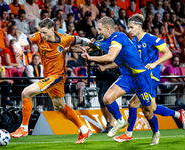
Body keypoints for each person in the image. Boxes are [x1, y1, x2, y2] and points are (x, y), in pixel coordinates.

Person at [10, 18, 92, 143]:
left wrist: (90, 42)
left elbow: (79, 39)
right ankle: (84, 129)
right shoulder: (38, 36)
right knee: (60, 106)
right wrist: (17, 46)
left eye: (44, 32)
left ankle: (24, 128)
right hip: (49, 76)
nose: (42, 35)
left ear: (52, 30)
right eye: (40, 32)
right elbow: (22, 42)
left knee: (26, 92)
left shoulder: (64, 38)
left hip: (57, 76)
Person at [80, 16, 160, 145]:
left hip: (141, 77)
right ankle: (120, 121)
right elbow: (90, 47)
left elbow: (111, 57)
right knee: (107, 99)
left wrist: (91, 58)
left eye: (100, 29)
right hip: (127, 77)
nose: (98, 32)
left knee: (148, 111)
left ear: (108, 28)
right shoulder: (104, 40)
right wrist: (65, 49)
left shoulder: (119, 37)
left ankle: (156, 132)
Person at [113, 14, 185, 143]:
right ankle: (178, 114)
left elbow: (168, 53)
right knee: (151, 109)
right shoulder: (133, 42)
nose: (129, 30)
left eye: (131, 27)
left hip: (151, 77)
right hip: (140, 78)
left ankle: (129, 133)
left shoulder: (151, 39)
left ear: (139, 27)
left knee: (133, 103)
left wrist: (154, 63)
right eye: (128, 27)